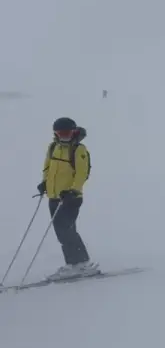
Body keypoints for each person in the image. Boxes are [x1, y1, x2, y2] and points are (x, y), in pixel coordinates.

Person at [37, 118, 98, 281]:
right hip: (54, 197)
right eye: (60, 133)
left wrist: (73, 190)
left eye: (67, 133)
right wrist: (44, 183)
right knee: (61, 232)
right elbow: (47, 167)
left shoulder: (78, 149)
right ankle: (74, 264)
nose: (64, 136)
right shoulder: (53, 147)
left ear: (74, 132)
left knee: (67, 230)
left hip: (71, 198)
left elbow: (82, 173)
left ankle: (81, 263)